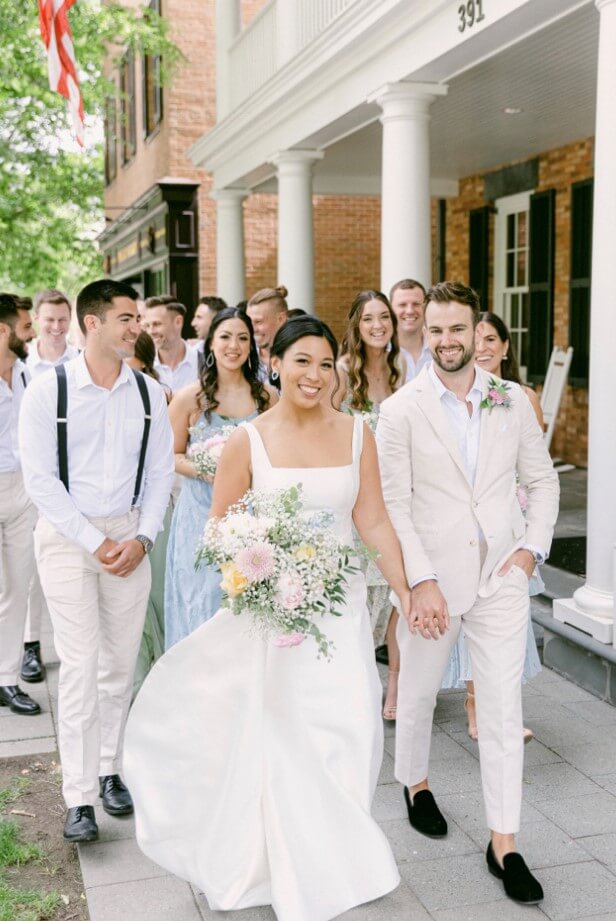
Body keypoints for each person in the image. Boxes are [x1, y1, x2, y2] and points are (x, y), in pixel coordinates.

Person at [124, 315, 414, 921]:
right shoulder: (246, 441)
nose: (315, 374)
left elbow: (375, 520)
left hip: (339, 613)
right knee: (286, 740)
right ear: (274, 364)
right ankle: (287, 862)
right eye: (301, 361)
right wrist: (264, 581)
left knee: (350, 730)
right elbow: (221, 532)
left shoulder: (359, 434)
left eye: (326, 362)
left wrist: (406, 589)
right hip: (274, 617)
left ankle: (340, 855)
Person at [376, 281, 559, 905]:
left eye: (459, 329)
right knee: (421, 692)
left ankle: (504, 842)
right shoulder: (400, 409)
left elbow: (542, 480)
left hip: (502, 577)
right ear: (423, 334)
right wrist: (419, 581)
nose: (448, 341)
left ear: (477, 332)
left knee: (504, 709)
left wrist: (530, 550)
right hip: (431, 581)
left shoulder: (512, 400)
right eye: (436, 330)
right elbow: (393, 502)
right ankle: (415, 782)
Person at [19, 279, 174, 844]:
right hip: (67, 538)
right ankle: (79, 797)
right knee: (81, 667)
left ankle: (112, 769)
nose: (139, 328)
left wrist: (144, 539)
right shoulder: (47, 392)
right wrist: (93, 541)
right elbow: (40, 481)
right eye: (128, 318)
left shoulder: (149, 394)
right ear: (93, 323)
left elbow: (159, 477)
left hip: (130, 535)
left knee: (119, 664)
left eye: (138, 319)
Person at [443, 311, 545, 742]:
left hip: (510, 522)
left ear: (505, 347)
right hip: (467, 527)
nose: (482, 347)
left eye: (491, 340)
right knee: (472, 615)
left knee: (509, 617)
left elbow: (534, 464)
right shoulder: (454, 397)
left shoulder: (522, 397)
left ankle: (501, 707)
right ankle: (474, 704)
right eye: (476, 338)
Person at [164, 307, 274, 649]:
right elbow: (168, 455)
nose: (234, 345)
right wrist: (207, 468)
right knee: (201, 599)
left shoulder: (266, 397)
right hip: (199, 512)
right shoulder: (190, 397)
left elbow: (278, 453)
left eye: (243, 338)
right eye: (225, 337)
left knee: (244, 599)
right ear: (210, 343)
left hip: (250, 514)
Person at [337, 290, 405, 720]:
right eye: (368, 319)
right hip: (357, 501)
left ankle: (396, 686)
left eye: (385, 317)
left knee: (399, 592)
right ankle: (358, 684)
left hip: (397, 498)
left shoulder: (403, 372)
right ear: (356, 327)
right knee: (358, 597)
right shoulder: (343, 374)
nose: (378, 325)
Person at [22, 289, 79, 684]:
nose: (57, 328)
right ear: (37, 321)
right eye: (49, 320)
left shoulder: (81, 363)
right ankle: (29, 645)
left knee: (70, 559)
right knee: (29, 567)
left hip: (74, 478)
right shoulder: (23, 366)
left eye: (62, 319)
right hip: (30, 477)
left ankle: (71, 642)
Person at [0, 293, 40, 716]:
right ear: (4, 331)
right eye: (26, 327)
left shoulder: (29, 377)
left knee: (17, 589)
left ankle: (6, 680)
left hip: (23, 493)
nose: (31, 335)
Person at [126, 331, 172, 695]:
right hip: (120, 508)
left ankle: (157, 675)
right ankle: (136, 679)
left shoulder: (159, 394)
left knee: (154, 596)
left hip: (155, 510)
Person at [145, 295, 199, 393]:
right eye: (147, 325)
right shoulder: (143, 366)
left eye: (156, 324)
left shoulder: (203, 364)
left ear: (178, 322)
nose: (150, 331)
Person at [389, 279, 431, 383]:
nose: (410, 311)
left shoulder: (440, 348)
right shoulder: (380, 352)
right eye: (402, 305)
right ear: (390, 310)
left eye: (416, 304)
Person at [246, 285, 289, 366]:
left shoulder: (300, 356)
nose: (252, 329)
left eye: (258, 322)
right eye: (249, 322)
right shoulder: (243, 359)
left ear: (281, 319)